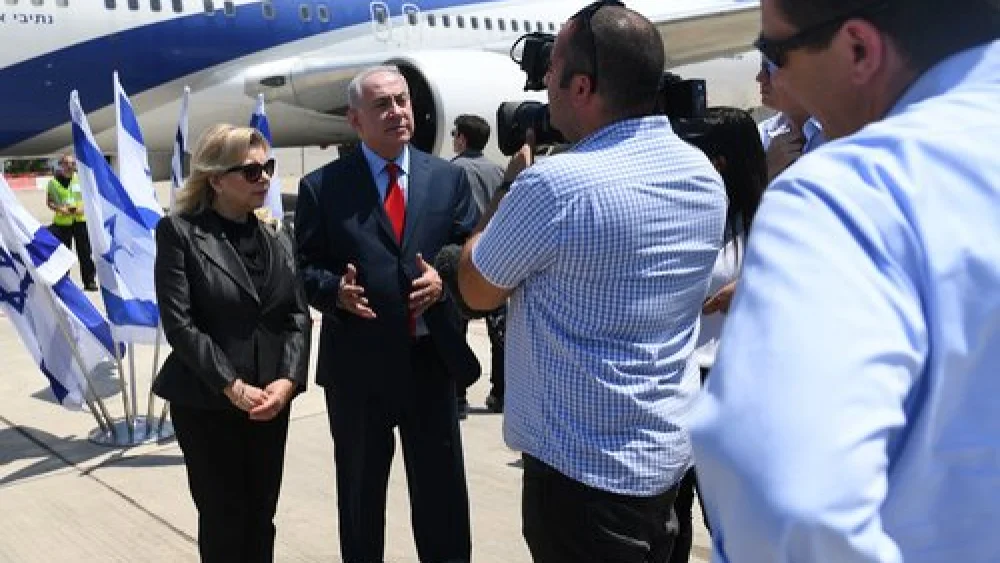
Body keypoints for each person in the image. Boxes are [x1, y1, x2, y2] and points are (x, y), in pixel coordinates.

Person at [689, 0, 1000, 561]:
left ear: (858, 49)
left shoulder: (850, 194)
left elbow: (788, 506)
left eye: (774, 52)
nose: (775, 77)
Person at [455, 2, 728, 561]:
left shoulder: (554, 187)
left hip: (580, 482)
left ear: (582, 87)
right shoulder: (701, 173)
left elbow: (476, 289)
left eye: (552, 70)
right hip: (665, 464)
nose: (544, 84)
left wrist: (509, 189)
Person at [295, 66, 480, 563]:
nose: (398, 112)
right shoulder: (323, 187)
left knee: (442, 499)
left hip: (429, 363)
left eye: (402, 101)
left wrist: (445, 279)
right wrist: (334, 291)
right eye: (382, 105)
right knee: (360, 499)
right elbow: (304, 267)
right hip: (359, 371)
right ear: (355, 120)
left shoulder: (448, 179)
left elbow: (468, 248)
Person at [153, 124, 312, 563]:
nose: (265, 178)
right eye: (251, 171)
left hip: (269, 402)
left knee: (261, 516)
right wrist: (232, 385)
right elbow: (180, 324)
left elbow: (297, 315)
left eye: (268, 167)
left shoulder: (278, 235)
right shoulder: (179, 233)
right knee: (224, 520)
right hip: (209, 402)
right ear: (217, 180)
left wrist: (287, 381)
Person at [667, 107, 767, 563]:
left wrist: (751, 286)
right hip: (678, 379)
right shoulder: (685, 216)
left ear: (721, 162)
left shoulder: (770, 222)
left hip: (732, 387)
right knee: (669, 521)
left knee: (729, 519)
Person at [450, 114, 507, 414]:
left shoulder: (452, 171)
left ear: (462, 138)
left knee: (456, 330)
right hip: (496, 259)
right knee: (500, 333)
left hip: (463, 260)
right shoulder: (499, 171)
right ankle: (501, 393)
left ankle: (457, 395)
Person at [755, 59, 826, 179]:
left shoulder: (842, 133)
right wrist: (767, 172)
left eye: (770, 69)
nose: (760, 77)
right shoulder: (760, 136)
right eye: (762, 67)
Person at [46, 153, 96, 290]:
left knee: (85, 253)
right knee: (63, 254)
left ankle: (89, 281)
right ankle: (64, 282)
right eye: (67, 163)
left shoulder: (81, 180)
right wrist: (59, 209)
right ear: (61, 165)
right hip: (63, 224)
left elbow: (90, 198)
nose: (70, 166)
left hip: (80, 221)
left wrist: (83, 208)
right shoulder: (53, 183)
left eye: (72, 164)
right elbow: (49, 202)